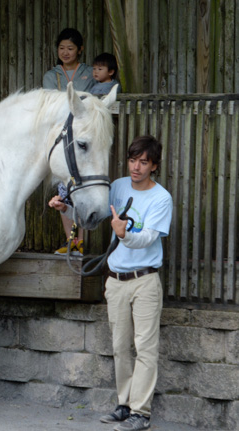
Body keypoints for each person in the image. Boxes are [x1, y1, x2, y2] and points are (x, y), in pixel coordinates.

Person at [49, 135, 173, 431]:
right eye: (133, 160)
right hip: (115, 280)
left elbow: (147, 238)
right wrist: (65, 209)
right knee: (120, 346)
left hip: (144, 280)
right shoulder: (116, 187)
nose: (136, 167)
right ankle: (124, 405)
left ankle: (140, 414)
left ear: (154, 165)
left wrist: (123, 234)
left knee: (144, 348)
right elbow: (92, 216)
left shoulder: (161, 198)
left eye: (144, 162)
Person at [43, 28, 95, 255]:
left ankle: (81, 241)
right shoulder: (50, 75)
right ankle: (71, 241)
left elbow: (94, 103)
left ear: (80, 50)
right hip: (61, 137)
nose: (65, 52)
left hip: (84, 137)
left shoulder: (90, 73)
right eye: (61, 48)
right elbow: (51, 106)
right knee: (64, 190)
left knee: (83, 188)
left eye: (70, 48)